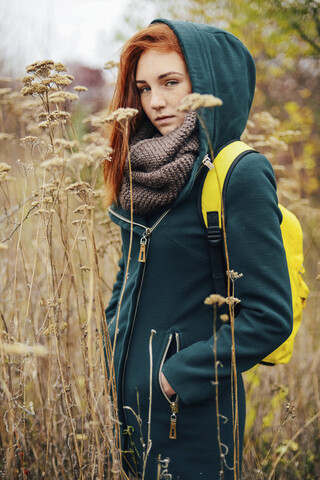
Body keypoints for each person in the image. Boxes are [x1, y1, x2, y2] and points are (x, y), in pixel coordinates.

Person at [104, 18, 293, 480]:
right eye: (145, 88)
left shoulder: (239, 174)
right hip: (126, 407)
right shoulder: (144, 173)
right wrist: (112, 335)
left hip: (191, 415)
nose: (156, 102)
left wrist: (175, 379)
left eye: (171, 83)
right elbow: (130, 269)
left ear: (209, 84)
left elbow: (270, 316)